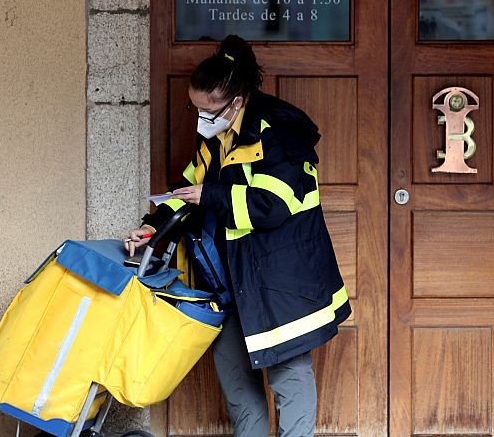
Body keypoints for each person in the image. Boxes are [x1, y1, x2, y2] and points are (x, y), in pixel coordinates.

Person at [124, 35, 350, 437]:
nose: (200, 118)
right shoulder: (215, 137)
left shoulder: (279, 131)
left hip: (282, 278)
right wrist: (152, 228)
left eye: (208, 110)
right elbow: (188, 189)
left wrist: (209, 195)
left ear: (237, 100)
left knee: (287, 373)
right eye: (194, 109)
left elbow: (275, 203)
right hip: (233, 279)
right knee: (234, 375)